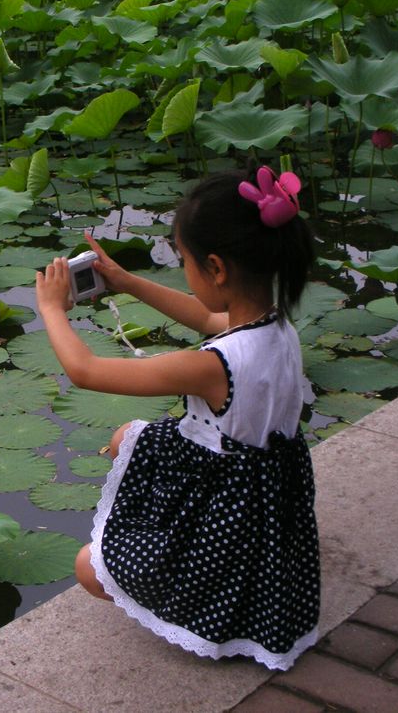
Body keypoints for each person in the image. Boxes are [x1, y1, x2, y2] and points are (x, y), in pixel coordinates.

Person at [34, 167, 319, 671]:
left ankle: (197, 603)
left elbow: (85, 371)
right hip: (266, 488)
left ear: (216, 267)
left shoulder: (213, 365)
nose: (183, 271)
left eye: (184, 261)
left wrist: (52, 309)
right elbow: (208, 318)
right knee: (127, 438)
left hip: (227, 508)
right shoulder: (276, 326)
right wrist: (124, 282)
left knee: (89, 568)